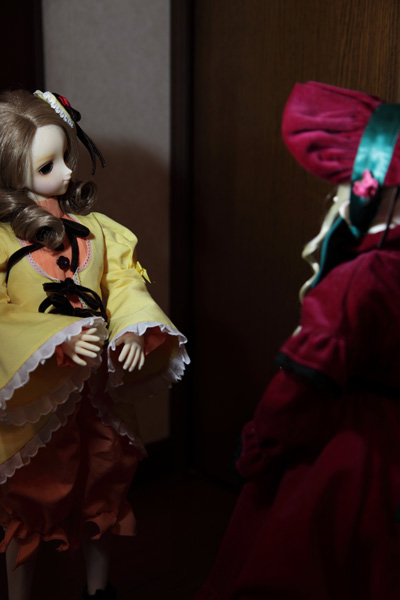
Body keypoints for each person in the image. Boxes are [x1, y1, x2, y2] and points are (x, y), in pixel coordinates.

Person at [195, 82, 400, 600]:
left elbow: (298, 391)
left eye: (341, 186)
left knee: (303, 563)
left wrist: (257, 447)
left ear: (368, 190)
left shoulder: (361, 280)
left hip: (350, 454)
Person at [0, 89, 189, 600]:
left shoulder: (97, 231)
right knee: (31, 500)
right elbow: (2, 315)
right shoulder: (2, 242)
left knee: (102, 486)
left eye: (66, 156)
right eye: (47, 166)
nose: (66, 172)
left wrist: (132, 328)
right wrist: (53, 342)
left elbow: (123, 285)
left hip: (96, 396)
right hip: (39, 405)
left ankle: (99, 589)